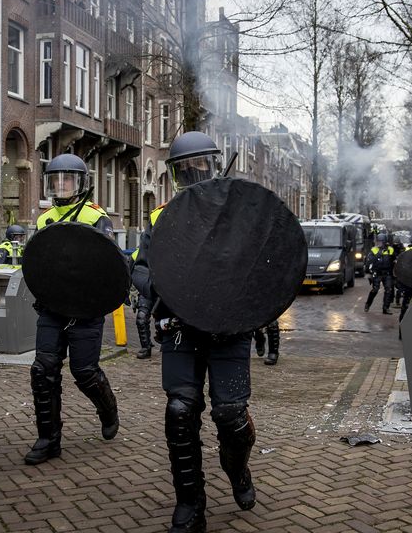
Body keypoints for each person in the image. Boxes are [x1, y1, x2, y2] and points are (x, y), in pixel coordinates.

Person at [132, 132, 257, 533]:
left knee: (231, 416)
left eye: (200, 165)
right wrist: (166, 285)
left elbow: (262, 262)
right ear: (173, 175)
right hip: (180, 328)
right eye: (184, 168)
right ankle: (190, 504)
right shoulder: (160, 216)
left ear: (214, 164)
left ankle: (237, 470)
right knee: (180, 412)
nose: (193, 173)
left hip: (228, 329)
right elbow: (140, 267)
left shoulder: (238, 210)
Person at [22, 153, 120, 465]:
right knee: (42, 370)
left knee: (84, 372)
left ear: (81, 183)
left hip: (86, 309)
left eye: (68, 179)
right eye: (56, 179)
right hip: (52, 308)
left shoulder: (95, 217)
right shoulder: (43, 220)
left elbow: (108, 264)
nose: (61, 184)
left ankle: (108, 409)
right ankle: (48, 438)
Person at [129, 249, 155, 359]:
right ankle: (146, 347)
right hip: (146, 290)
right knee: (141, 318)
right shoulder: (136, 254)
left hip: (167, 291)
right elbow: (128, 274)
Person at [364, 233, 396, 314]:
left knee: (388, 290)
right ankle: (368, 304)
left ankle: (386, 308)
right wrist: (368, 273)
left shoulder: (390, 250)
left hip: (387, 273)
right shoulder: (374, 250)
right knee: (375, 290)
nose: (379, 243)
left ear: (385, 242)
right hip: (377, 273)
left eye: (381, 242)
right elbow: (369, 262)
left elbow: (394, 260)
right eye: (378, 241)